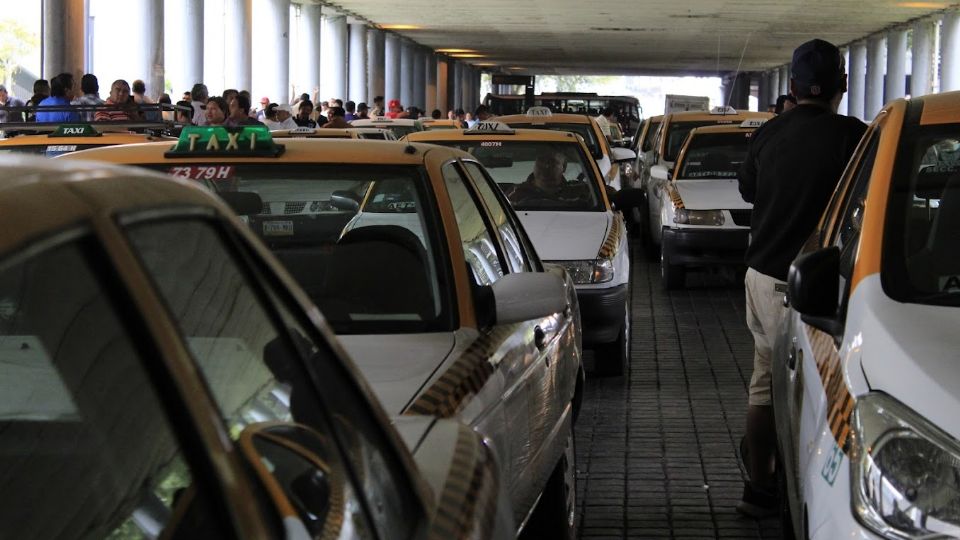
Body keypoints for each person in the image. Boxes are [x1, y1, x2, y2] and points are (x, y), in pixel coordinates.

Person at [735, 38, 867, 519]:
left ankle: (759, 487)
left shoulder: (769, 134)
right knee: (810, 393)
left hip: (759, 275)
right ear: (843, 85)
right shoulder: (853, 136)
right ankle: (803, 495)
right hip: (808, 287)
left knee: (764, 382)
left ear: (791, 86)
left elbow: (748, 188)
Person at [506, 152, 588, 206]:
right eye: (541, 161)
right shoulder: (516, 192)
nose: (546, 166)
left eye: (552, 162)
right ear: (534, 165)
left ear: (564, 167)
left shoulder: (578, 191)